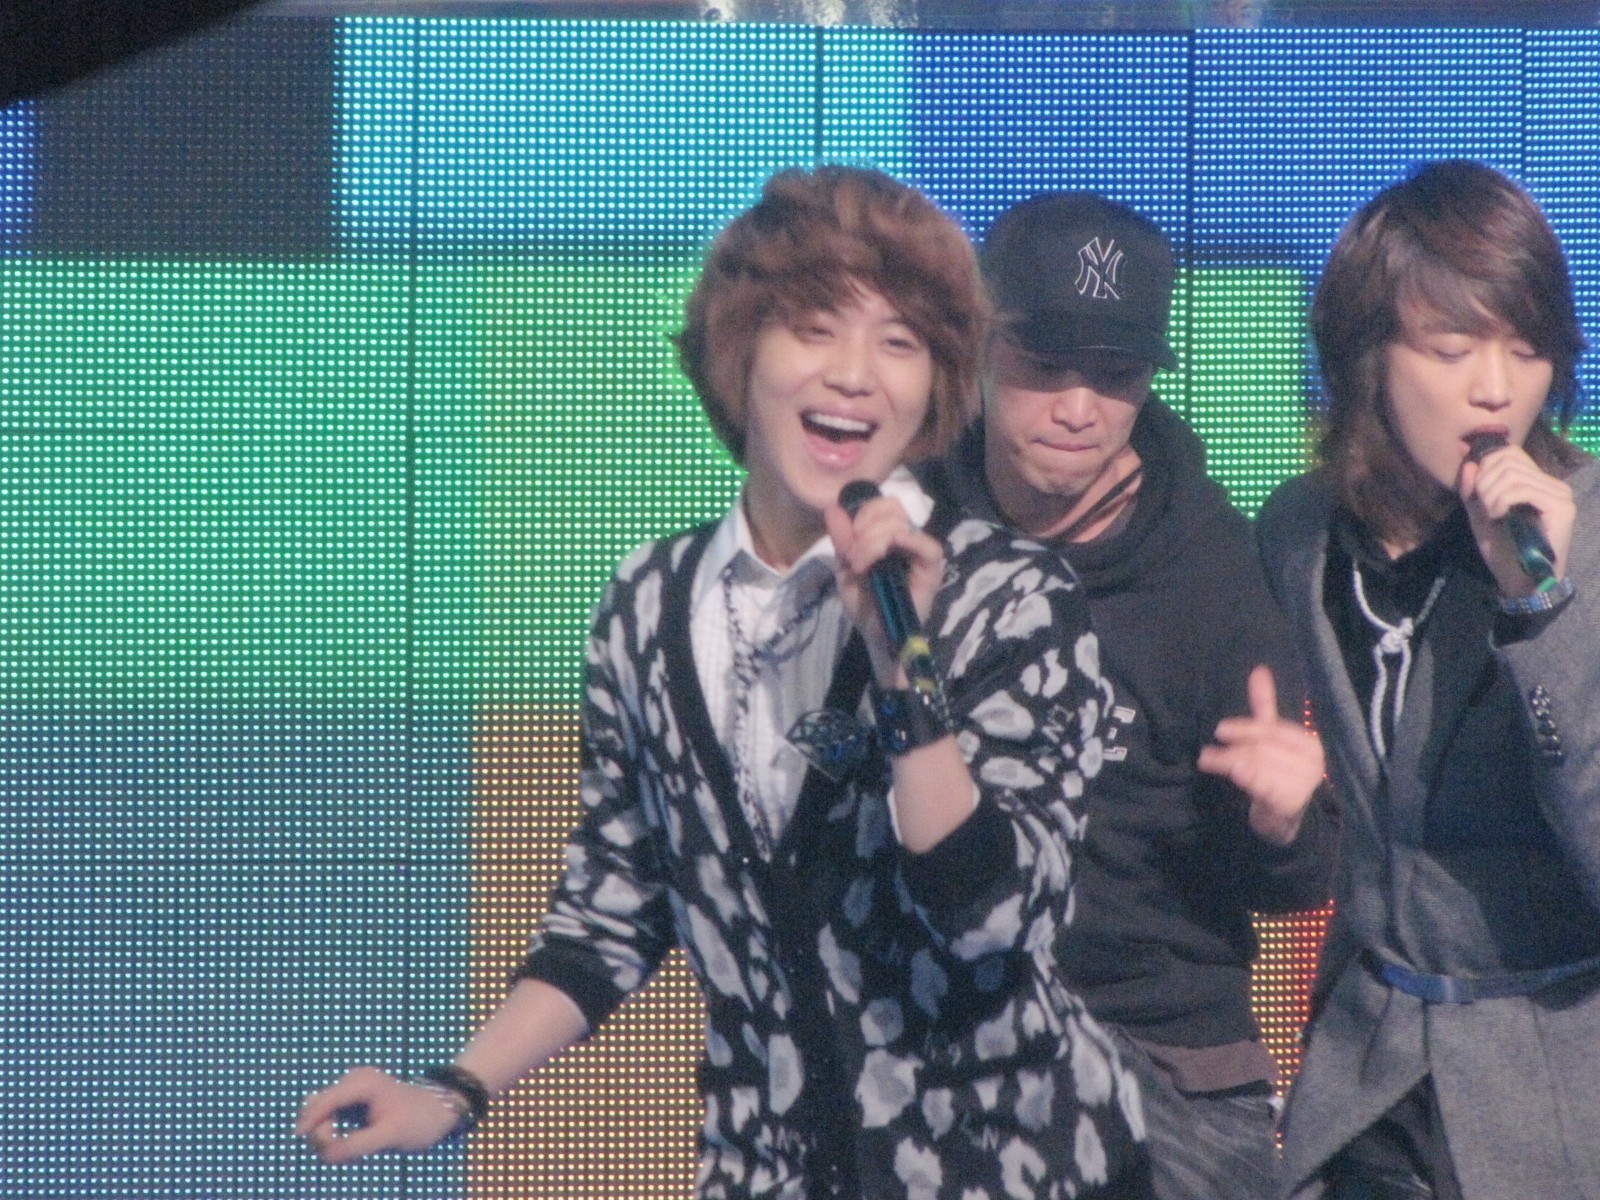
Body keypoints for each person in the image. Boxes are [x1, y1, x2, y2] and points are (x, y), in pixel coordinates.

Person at [296, 165, 1153, 1199]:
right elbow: (612, 909)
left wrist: (903, 670)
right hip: (762, 1167)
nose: (854, 375)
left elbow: (991, 922)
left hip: (1015, 1165)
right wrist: (454, 1091)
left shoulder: (1008, 597)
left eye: (899, 343)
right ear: (740, 352)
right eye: (816, 330)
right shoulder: (648, 604)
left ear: (936, 386)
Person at [919, 191, 1334, 1200]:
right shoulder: (900, 533)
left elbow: (1291, 881)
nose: (1078, 407)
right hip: (930, 1036)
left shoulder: (1219, 574)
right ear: (978, 350)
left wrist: (1285, 823)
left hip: (1166, 1059)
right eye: (1045, 364)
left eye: (1113, 375)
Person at [1256, 159, 1600, 1200]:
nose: (1496, 387)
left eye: (1528, 351)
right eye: (1452, 350)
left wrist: (1540, 611)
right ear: (1368, 355)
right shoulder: (1300, 532)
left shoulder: (1582, 538)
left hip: (1551, 1091)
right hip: (1365, 1074)